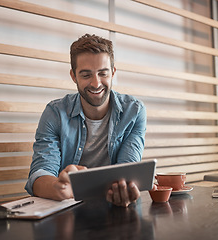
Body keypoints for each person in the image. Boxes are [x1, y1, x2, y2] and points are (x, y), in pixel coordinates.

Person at [25, 33, 147, 207]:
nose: (96, 84)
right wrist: (57, 188)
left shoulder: (134, 111)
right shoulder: (54, 113)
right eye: (86, 75)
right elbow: (40, 172)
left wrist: (125, 188)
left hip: (114, 208)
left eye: (103, 73)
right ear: (73, 76)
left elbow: (126, 170)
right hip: (68, 209)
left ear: (112, 72)